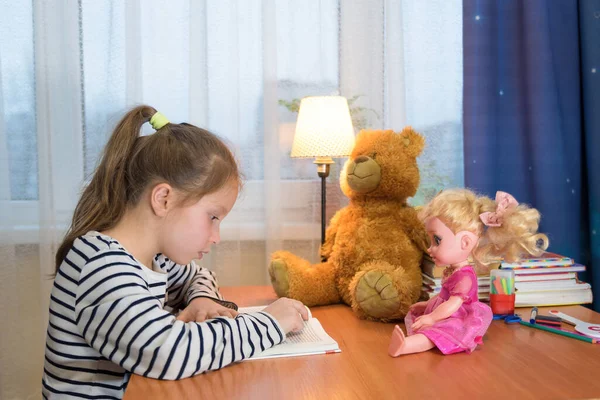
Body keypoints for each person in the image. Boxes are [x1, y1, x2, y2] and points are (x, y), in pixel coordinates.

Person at [42, 105, 308, 399]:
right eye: (213, 217)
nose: (216, 236)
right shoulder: (102, 266)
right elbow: (167, 352)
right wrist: (270, 323)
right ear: (163, 199)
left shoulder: (152, 259)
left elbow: (200, 275)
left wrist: (202, 298)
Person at [388, 189, 548, 357]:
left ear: (465, 242)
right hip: (445, 312)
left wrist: (433, 317)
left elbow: (453, 304)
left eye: (436, 240)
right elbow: (443, 295)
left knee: (433, 334)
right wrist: (427, 305)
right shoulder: (452, 270)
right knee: (424, 323)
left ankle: (406, 345)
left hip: (458, 319)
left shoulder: (465, 277)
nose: (429, 248)